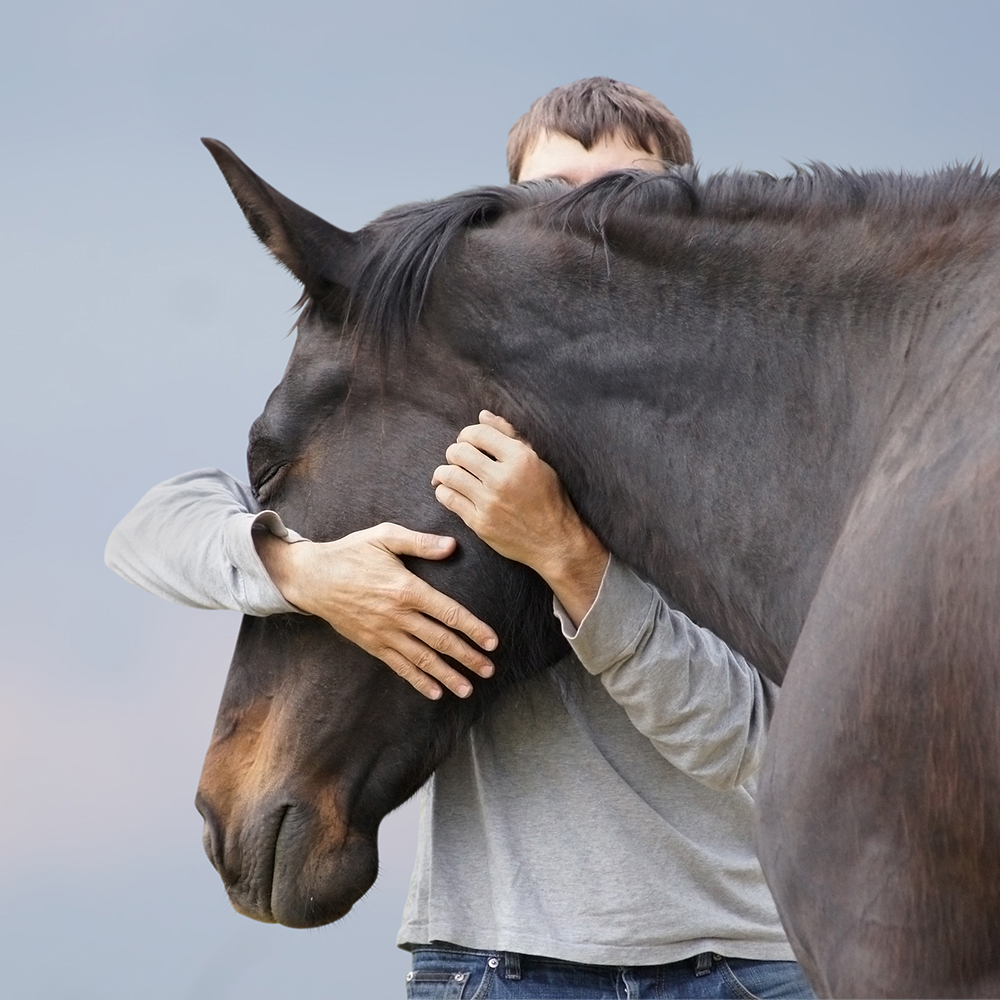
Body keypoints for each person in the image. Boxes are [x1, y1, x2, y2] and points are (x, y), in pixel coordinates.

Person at [106, 78, 814, 999]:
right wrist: (306, 569)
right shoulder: (442, 425)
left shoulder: (748, 451)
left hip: (745, 967)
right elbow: (147, 530)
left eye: (627, 192)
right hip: (494, 961)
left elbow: (758, 749)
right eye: (555, 189)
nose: (587, 217)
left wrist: (566, 555)